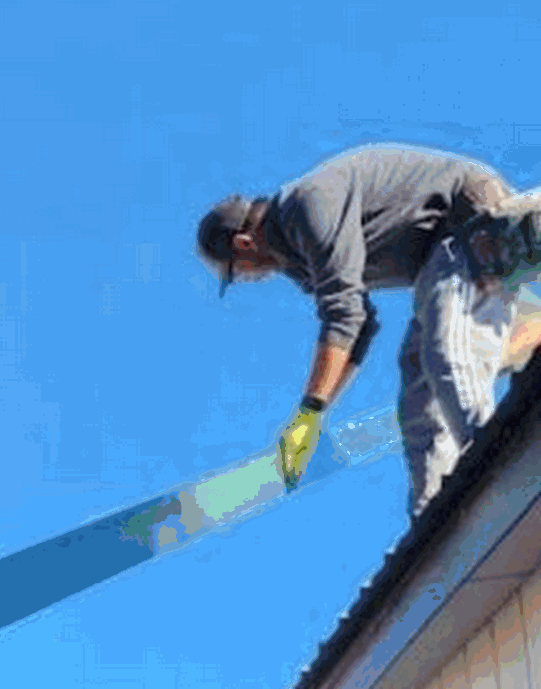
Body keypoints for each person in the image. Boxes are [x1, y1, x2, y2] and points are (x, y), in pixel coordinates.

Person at [196, 143, 541, 520]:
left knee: (447, 350)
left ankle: (507, 466)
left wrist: (309, 413)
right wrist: (318, 412)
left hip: (466, 223)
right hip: (436, 259)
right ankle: (434, 524)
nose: (246, 278)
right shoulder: (295, 260)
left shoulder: (305, 208)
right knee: (418, 384)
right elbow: (358, 329)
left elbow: (344, 316)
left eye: (235, 272)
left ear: (243, 244)